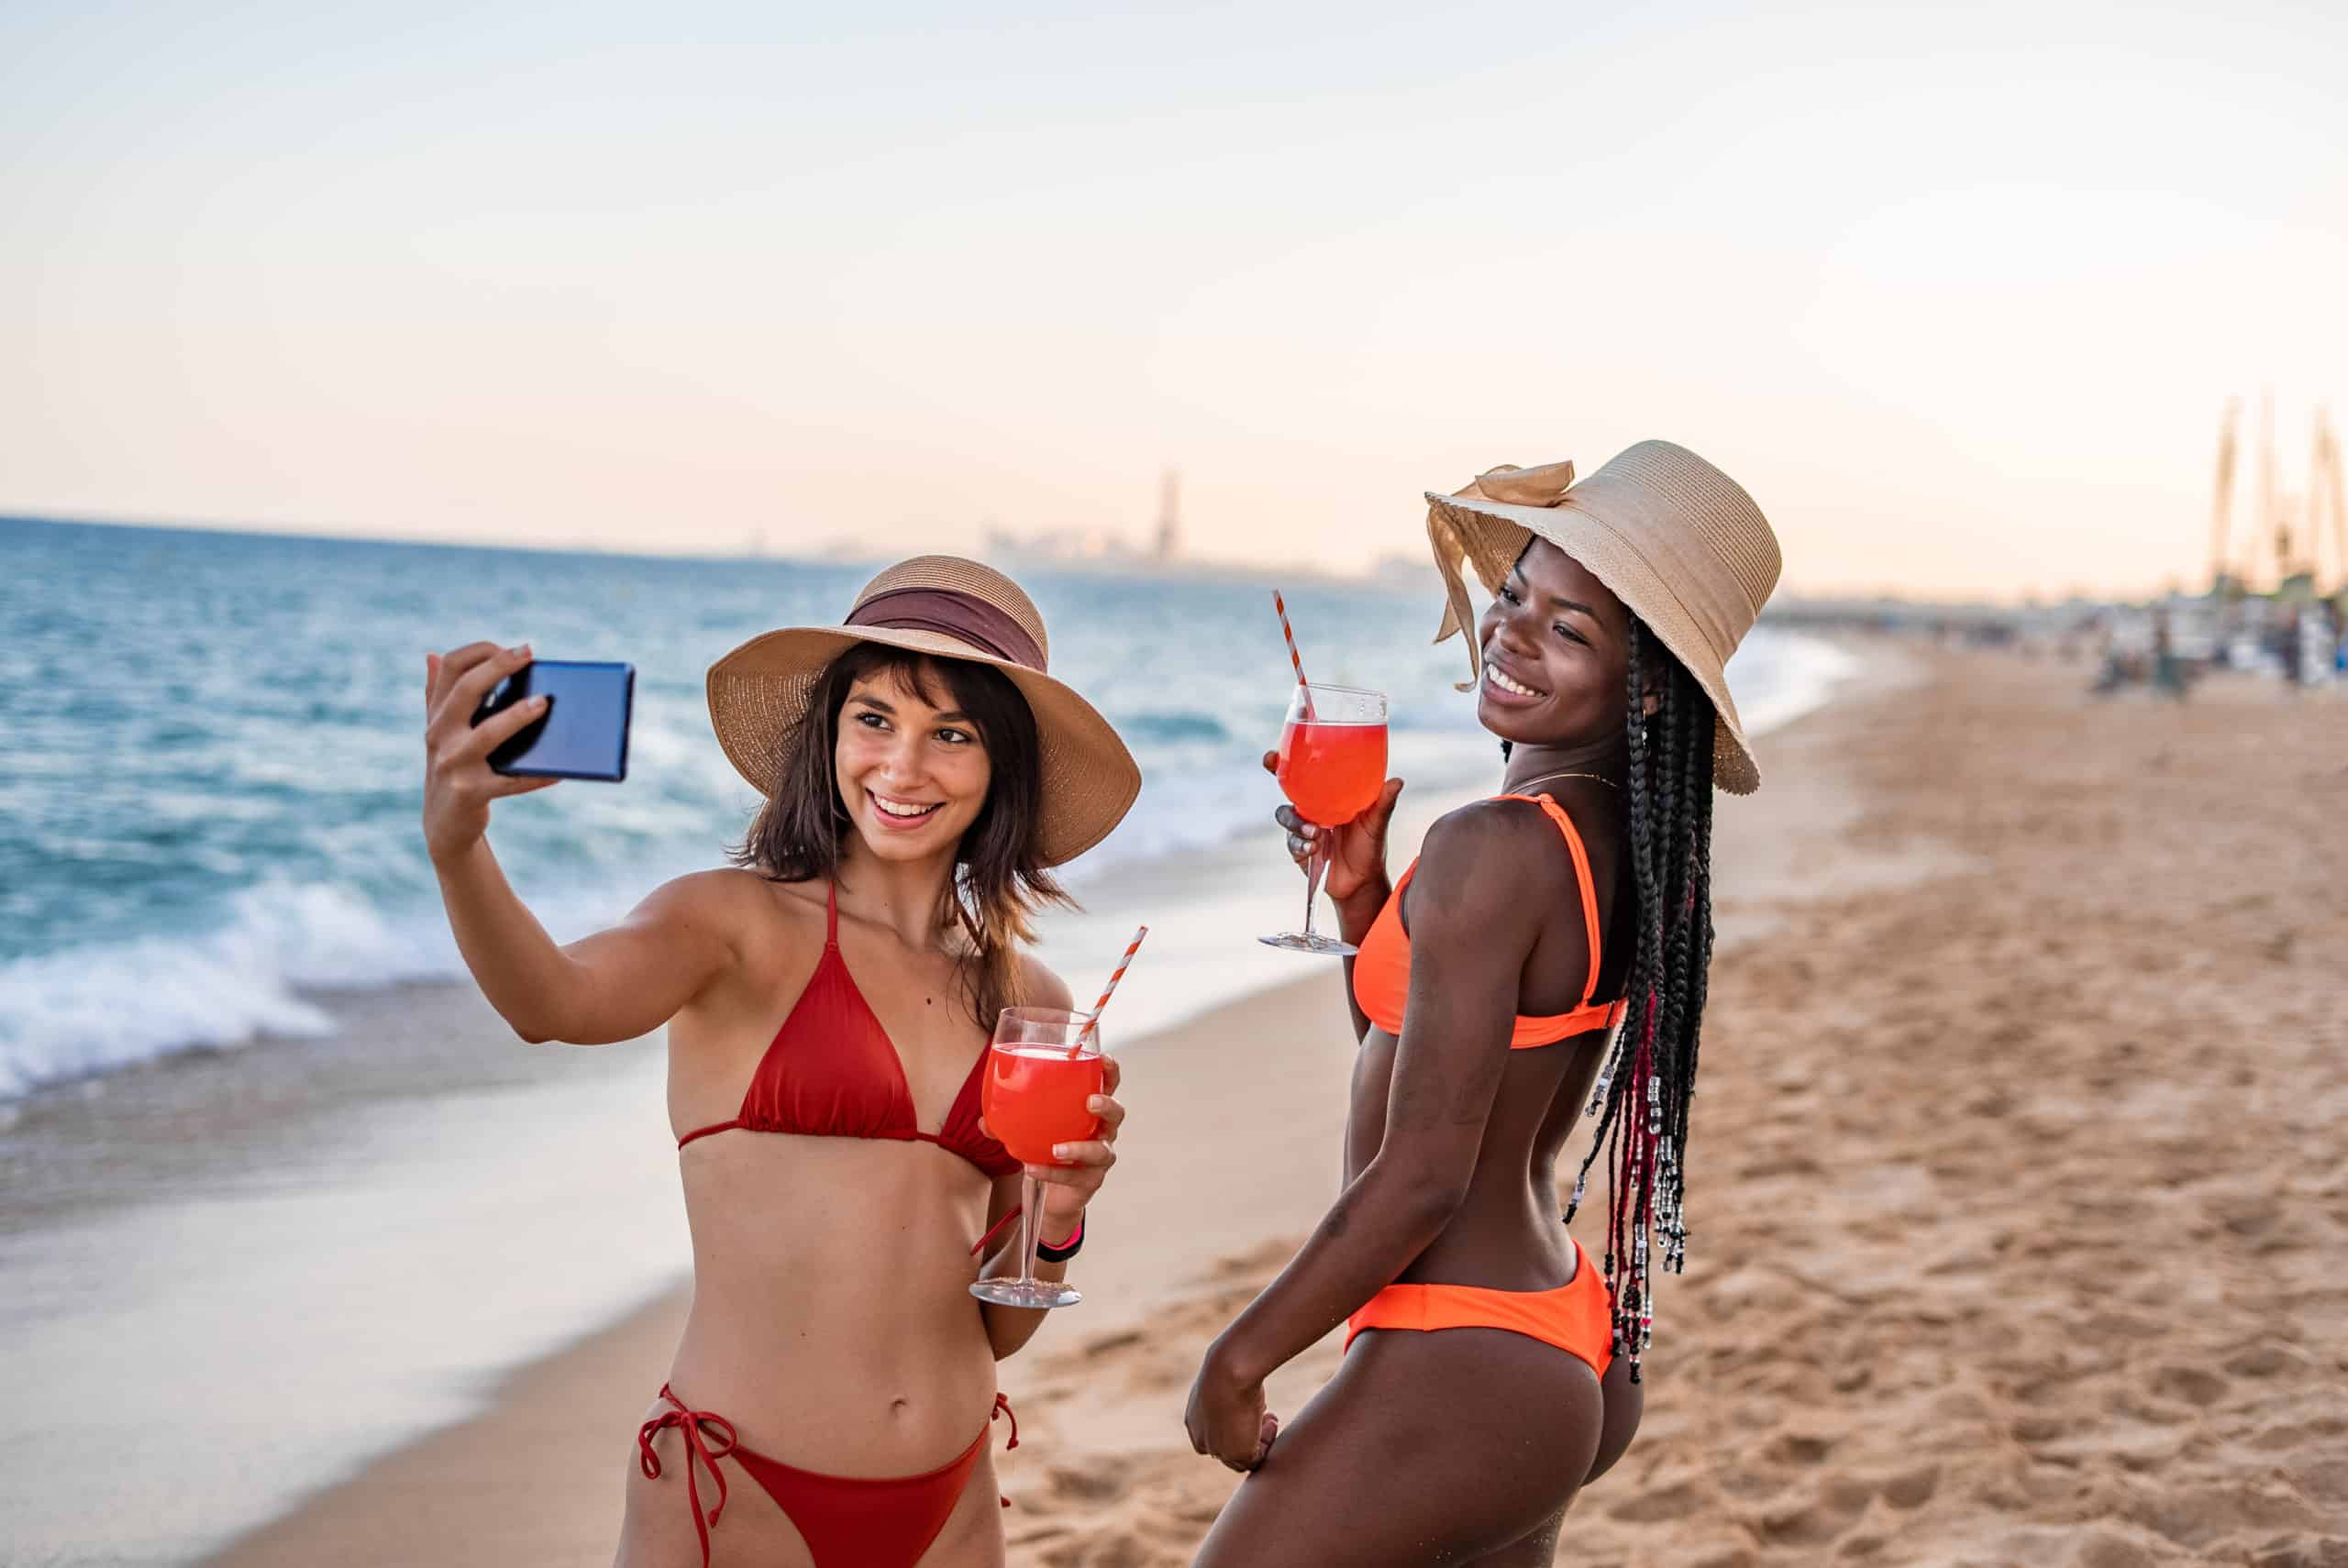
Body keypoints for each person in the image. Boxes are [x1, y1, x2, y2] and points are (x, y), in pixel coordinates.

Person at [421, 557, 1140, 1567]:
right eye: (875, 720)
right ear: (830, 735)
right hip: (734, 1492)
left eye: (954, 735)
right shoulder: (730, 922)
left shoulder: (1032, 1004)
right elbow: (552, 1004)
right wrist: (458, 845)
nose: (902, 766)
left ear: (1000, 767)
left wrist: (1059, 1218)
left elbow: (1000, 1331)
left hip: (950, 1502)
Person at [1185, 443, 1782, 1565]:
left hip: (1463, 1347)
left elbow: (1421, 1177)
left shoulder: (1493, 846)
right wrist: (1366, 904)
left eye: (1570, 629)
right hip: (1550, 1332)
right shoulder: (1611, 839)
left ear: (1647, 683)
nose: (1511, 632)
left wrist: (1237, 1358)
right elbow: (1443, 1073)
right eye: (1516, 595)